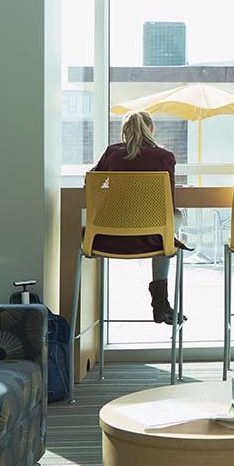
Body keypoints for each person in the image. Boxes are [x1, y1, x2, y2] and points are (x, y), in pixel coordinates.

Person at [91, 111, 186, 325]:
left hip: (108, 236)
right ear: (150, 129)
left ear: (125, 131)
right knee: (173, 220)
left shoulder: (112, 153)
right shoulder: (164, 156)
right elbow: (167, 203)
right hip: (150, 237)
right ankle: (160, 302)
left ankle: (162, 303)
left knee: (166, 229)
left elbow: (92, 183)